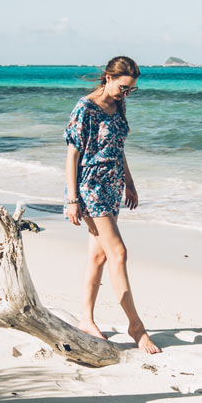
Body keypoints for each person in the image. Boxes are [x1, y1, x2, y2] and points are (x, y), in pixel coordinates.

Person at [64, 56, 160, 354]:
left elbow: (118, 149)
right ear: (108, 78)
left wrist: (129, 183)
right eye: (122, 87)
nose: (125, 94)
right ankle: (136, 327)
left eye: (130, 90)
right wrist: (71, 199)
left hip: (114, 186)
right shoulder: (85, 108)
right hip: (90, 187)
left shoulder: (119, 105)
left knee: (99, 257)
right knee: (118, 252)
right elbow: (72, 156)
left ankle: (86, 320)